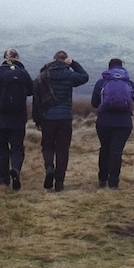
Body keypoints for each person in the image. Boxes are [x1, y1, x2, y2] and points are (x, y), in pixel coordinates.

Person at [89, 57, 134, 189]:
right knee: (116, 152)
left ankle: (102, 179)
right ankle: (113, 183)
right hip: (123, 123)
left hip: (104, 122)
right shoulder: (128, 82)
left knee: (105, 149)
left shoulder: (102, 82)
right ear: (122, 67)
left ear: (109, 67)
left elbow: (94, 103)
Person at [0, 48, 35, 189]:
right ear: (18, 58)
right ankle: (15, 169)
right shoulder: (22, 73)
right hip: (18, 117)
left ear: (4, 58)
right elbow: (31, 91)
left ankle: (4, 180)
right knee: (17, 147)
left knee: (1, 148)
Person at [34, 50, 89, 192]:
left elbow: (37, 99)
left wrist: (37, 119)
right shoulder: (69, 75)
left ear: (53, 59)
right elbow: (84, 77)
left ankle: (49, 167)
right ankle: (59, 183)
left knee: (47, 147)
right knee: (62, 150)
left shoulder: (42, 76)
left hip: (48, 118)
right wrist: (74, 63)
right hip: (65, 118)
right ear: (66, 61)